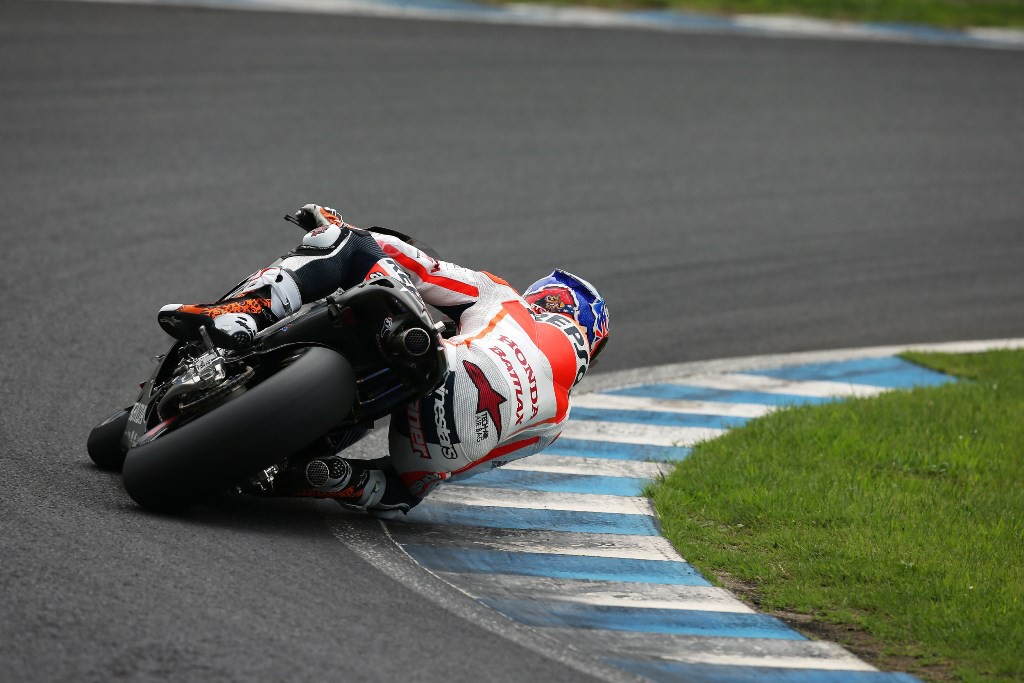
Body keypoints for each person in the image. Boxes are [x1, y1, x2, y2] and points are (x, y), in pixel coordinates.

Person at [158, 204, 610, 514]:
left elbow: (419, 267)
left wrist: (341, 226)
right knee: (405, 490)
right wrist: (416, 479)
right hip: (445, 445)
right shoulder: (555, 422)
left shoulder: (507, 298)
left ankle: (240, 318)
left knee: (348, 244)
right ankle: (332, 477)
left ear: (546, 299)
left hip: (445, 365)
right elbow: (468, 464)